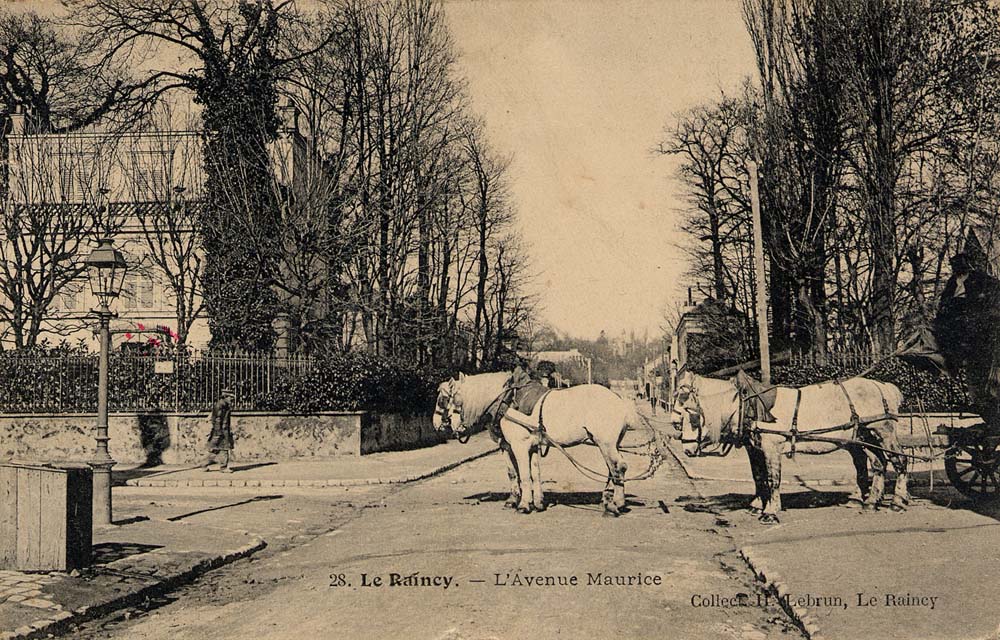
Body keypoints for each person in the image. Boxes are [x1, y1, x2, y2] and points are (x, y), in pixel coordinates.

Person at [204, 387, 235, 473]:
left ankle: (204, 464)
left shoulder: (224, 405)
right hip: (221, 430)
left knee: (218, 449)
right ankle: (223, 467)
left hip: (223, 430)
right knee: (223, 448)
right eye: (230, 397)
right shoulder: (220, 405)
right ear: (225, 396)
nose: (231, 399)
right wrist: (218, 432)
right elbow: (217, 419)